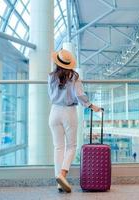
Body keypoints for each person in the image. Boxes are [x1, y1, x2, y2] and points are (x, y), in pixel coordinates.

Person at [48, 49, 101, 193]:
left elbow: (50, 94)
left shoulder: (51, 76)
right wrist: (91, 106)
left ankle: (59, 181)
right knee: (71, 146)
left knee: (58, 147)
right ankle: (62, 175)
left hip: (54, 112)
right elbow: (79, 94)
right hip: (68, 112)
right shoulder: (74, 76)